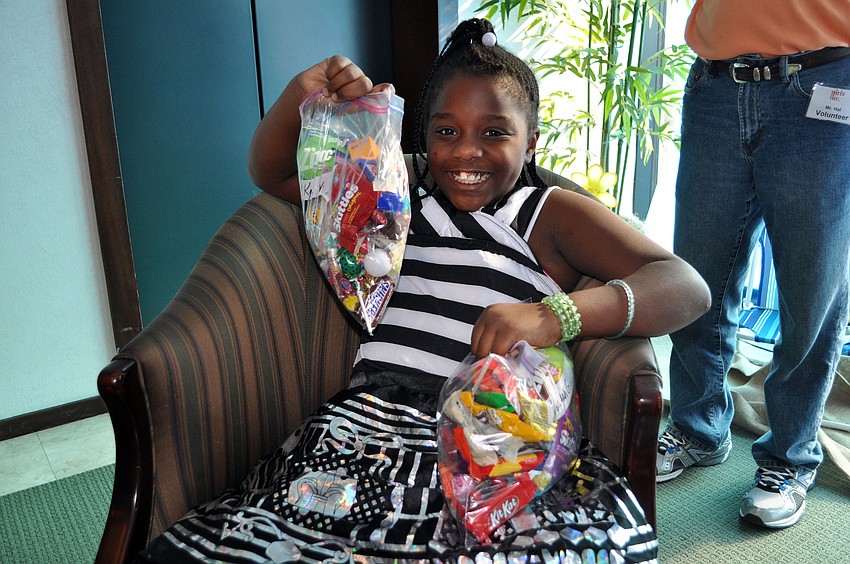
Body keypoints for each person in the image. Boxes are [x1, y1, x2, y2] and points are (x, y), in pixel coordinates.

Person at [137, 18, 709, 562]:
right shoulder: (395, 199)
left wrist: (554, 315)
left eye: (494, 133)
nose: (465, 151)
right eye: (446, 131)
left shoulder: (544, 214)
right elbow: (273, 173)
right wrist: (298, 97)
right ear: (423, 135)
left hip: (487, 442)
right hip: (358, 431)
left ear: (531, 142)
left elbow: (685, 286)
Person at [657, 0, 850, 530]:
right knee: (698, 276)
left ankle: (790, 458)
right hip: (716, 85)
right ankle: (698, 427)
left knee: (812, 288)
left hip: (824, 82)